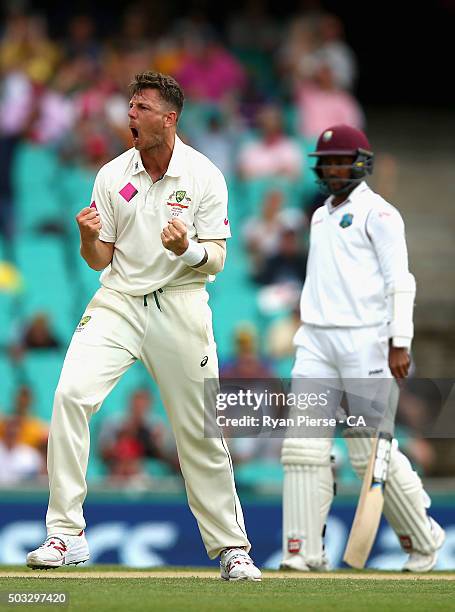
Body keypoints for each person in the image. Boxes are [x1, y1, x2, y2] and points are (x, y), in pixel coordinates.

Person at [26, 71, 261, 581]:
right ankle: (65, 535)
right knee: (70, 397)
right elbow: (99, 259)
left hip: (180, 303)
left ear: (169, 119)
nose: (130, 114)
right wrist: (87, 239)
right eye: (129, 105)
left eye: (141, 107)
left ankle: (231, 549)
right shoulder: (113, 175)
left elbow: (216, 260)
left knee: (198, 430)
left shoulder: (204, 177)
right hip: (119, 301)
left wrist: (186, 249)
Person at [280, 124, 445, 573]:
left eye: (341, 160)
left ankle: (423, 538)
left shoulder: (382, 215)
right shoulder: (318, 216)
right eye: (327, 162)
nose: (333, 169)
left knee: (366, 453)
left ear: (360, 162)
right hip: (315, 340)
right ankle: (302, 551)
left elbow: (400, 283)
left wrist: (400, 342)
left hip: (365, 343)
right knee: (302, 447)